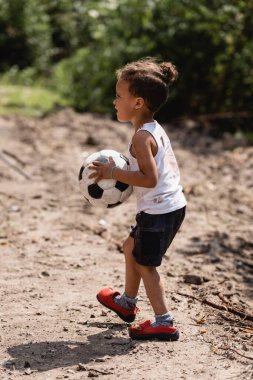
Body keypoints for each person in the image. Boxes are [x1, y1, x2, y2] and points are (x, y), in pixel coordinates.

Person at [88, 57, 186, 341]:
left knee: (146, 264)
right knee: (130, 246)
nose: (114, 101)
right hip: (164, 208)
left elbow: (149, 179)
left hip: (160, 210)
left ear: (138, 103)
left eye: (119, 96)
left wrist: (113, 171)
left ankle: (164, 321)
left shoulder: (142, 138)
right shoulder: (151, 127)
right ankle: (127, 303)